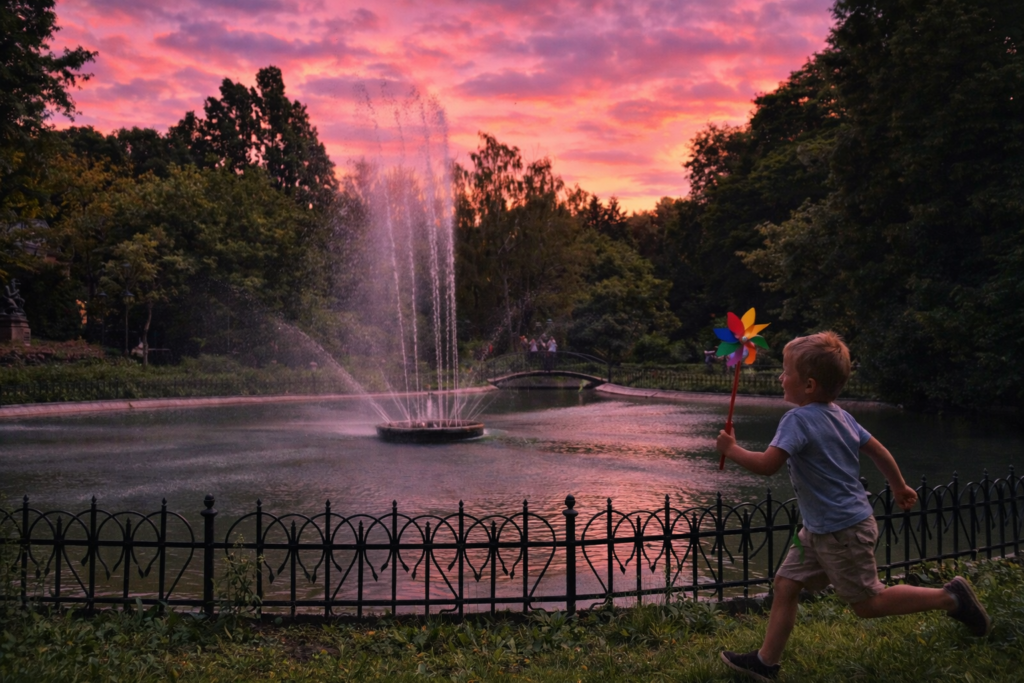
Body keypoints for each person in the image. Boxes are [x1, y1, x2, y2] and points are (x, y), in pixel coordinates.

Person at [715, 331, 991, 682]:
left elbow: (768, 465)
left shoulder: (796, 420)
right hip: (821, 529)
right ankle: (765, 663)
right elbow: (877, 449)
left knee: (867, 603)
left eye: (786, 372)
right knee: (786, 584)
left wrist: (731, 449)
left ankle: (950, 598)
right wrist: (898, 485)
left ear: (810, 385)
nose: (781, 377)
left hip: (840, 531)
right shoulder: (842, 416)